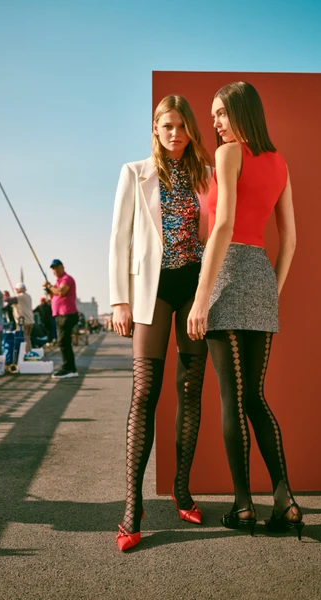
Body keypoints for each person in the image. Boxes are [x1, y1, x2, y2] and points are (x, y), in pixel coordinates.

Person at [187, 82, 304, 540]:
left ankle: (243, 506)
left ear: (241, 111)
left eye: (221, 113)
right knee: (255, 396)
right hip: (260, 275)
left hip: (227, 271)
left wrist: (202, 297)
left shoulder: (229, 153)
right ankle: (285, 498)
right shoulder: (280, 162)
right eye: (213, 115)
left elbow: (223, 226)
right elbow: (290, 239)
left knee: (232, 400)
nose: (215, 123)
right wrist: (273, 290)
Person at [110, 95, 213, 551]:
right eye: (167, 125)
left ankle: (181, 488)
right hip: (151, 290)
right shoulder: (135, 172)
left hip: (194, 287)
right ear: (155, 127)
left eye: (182, 126)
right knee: (144, 392)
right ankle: (132, 505)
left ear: (191, 129)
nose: (175, 133)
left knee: (191, 389)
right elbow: (119, 238)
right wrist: (119, 300)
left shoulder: (206, 174)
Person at [43, 259, 79, 379]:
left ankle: (67, 368)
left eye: (57, 267)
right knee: (65, 342)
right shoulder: (57, 282)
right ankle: (71, 369)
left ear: (62, 267)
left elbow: (61, 292)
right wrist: (49, 289)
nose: (55, 270)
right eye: (53, 269)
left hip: (67, 314)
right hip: (60, 315)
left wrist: (49, 286)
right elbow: (54, 296)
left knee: (63, 341)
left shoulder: (67, 279)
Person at [4, 282, 35, 353]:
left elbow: (7, 300)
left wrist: (3, 296)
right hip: (30, 320)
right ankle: (29, 352)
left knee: (24, 338)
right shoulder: (28, 296)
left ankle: (26, 353)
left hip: (23, 322)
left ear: (18, 289)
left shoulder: (19, 297)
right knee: (27, 338)